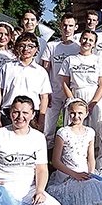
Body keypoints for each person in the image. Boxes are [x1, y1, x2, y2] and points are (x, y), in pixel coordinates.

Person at [0, 33, 51, 131]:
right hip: (8, 114)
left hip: (31, 116)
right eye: (22, 45)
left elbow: (44, 98)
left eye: (30, 46)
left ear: (36, 49)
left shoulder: (41, 72)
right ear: (17, 47)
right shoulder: (7, 67)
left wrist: (41, 121)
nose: (26, 49)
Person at [41, 13, 80, 148]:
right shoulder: (51, 46)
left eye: (70, 26)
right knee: (48, 128)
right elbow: (45, 70)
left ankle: (67, 156)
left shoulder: (79, 46)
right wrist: (46, 92)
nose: (67, 28)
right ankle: (45, 158)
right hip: (54, 92)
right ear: (60, 26)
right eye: (64, 25)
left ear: (76, 27)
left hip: (72, 92)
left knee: (70, 127)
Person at [60, 30, 102, 131]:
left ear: (94, 44)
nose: (87, 42)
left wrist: (92, 104)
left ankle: (96, 147)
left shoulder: (98, 60)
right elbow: (65, 83)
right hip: (76, 95)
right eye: (85, 38)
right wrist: (73, 101)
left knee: (96, 128)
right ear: (80, 40)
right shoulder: (69, 60)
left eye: (91, 40)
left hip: (94, 97)